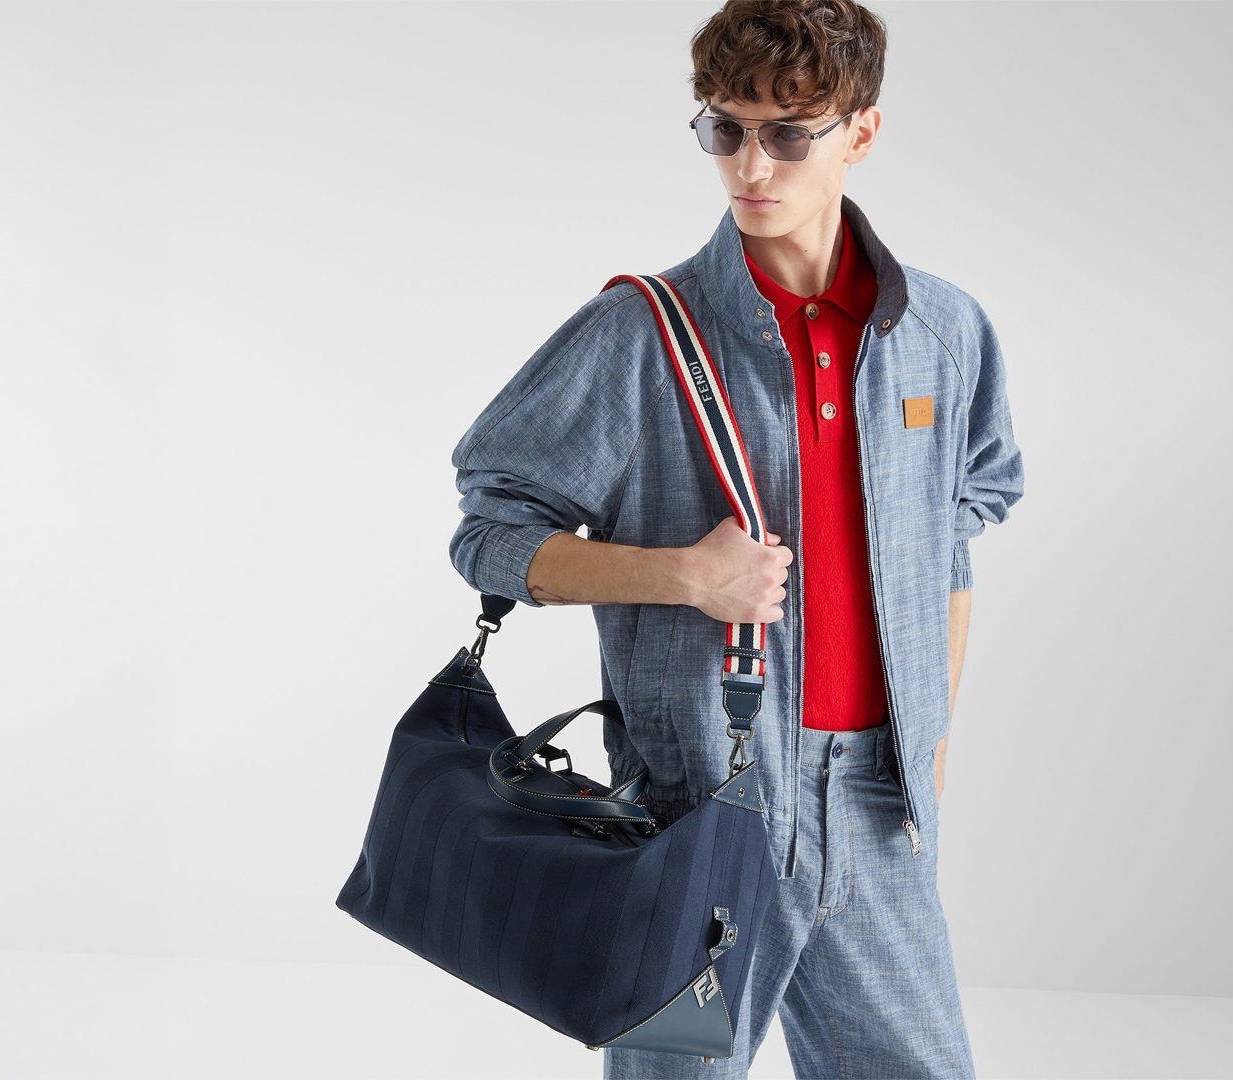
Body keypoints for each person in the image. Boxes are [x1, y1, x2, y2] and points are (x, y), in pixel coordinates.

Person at [447, 2, 1023, 1075]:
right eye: (726, 129)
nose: (750, 166)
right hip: (702, 809)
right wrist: (681, 576)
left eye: (788, 134)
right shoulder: (640, 334)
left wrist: (930, 751)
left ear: (861, 132)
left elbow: (952, 541)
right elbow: (489, 536)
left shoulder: (943, 334)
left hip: (880, 807)